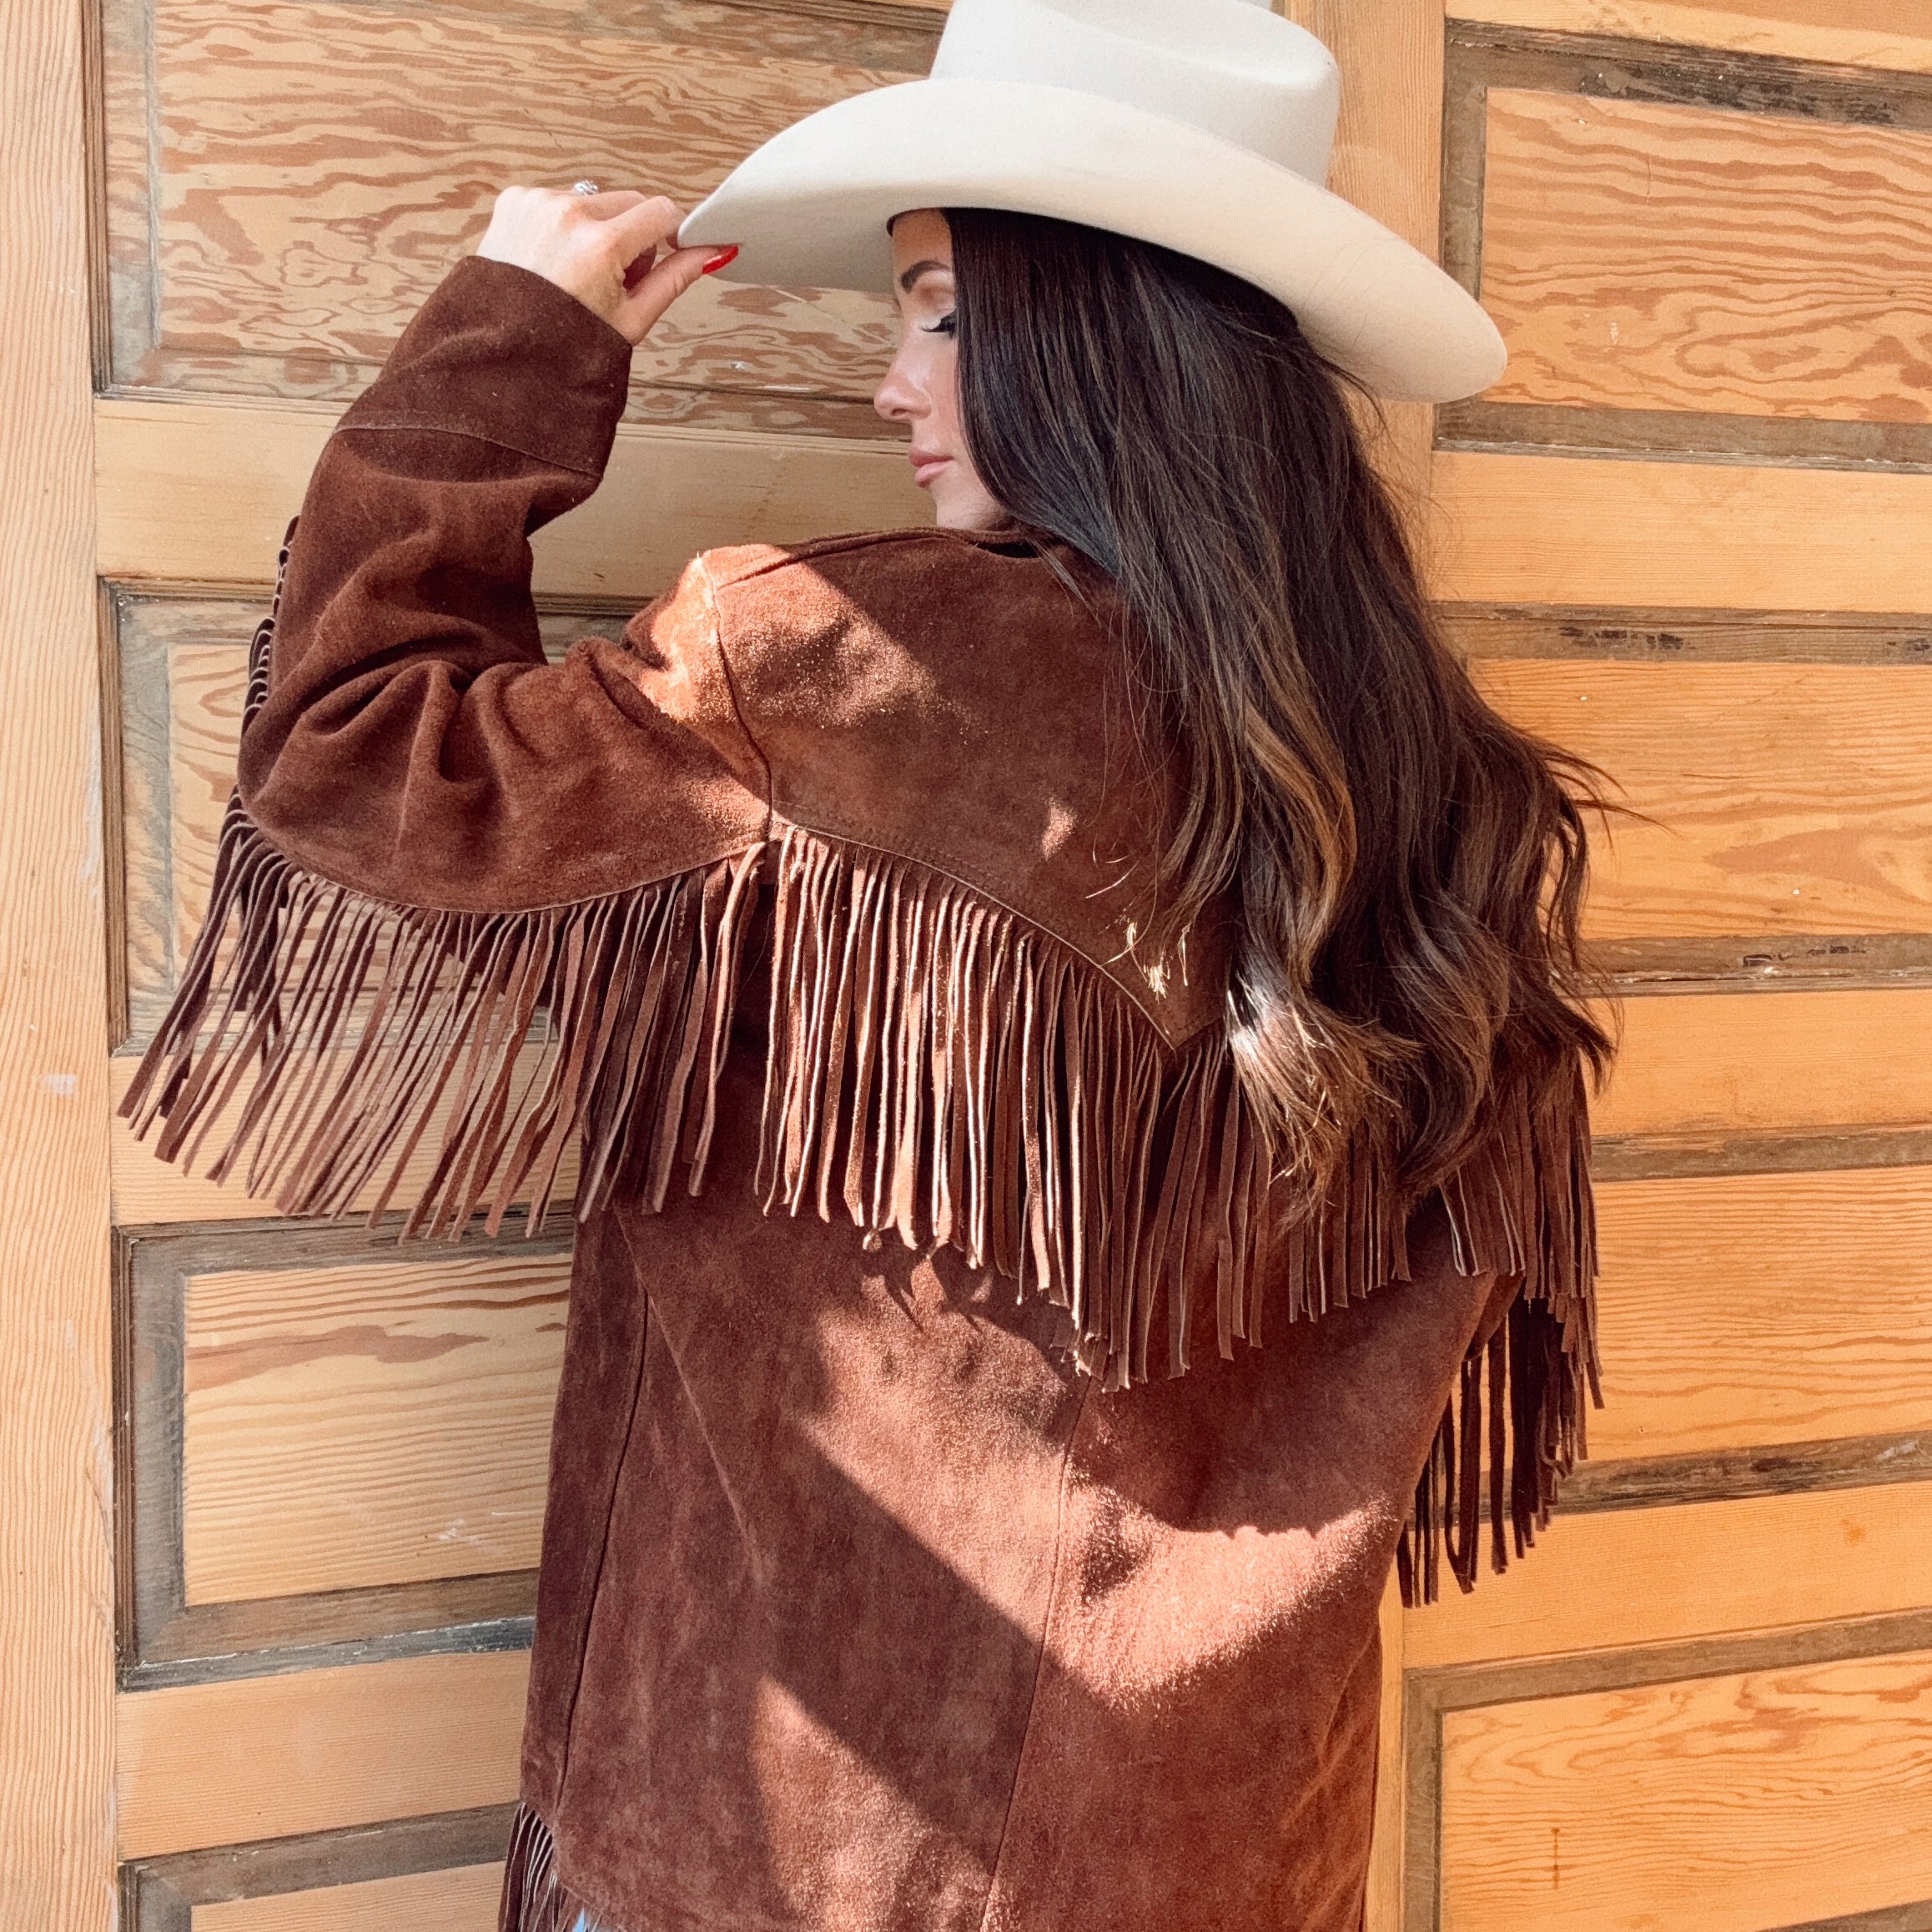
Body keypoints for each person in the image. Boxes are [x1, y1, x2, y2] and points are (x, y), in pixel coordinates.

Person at [121, 2, 1623, 1926]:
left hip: (808, 1840)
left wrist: (516, 331)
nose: (893, 387)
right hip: (1225, 1843)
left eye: (941, 311)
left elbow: (356, 758)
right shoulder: (1433, 776)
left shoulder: (827, 669)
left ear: (1102, 333)